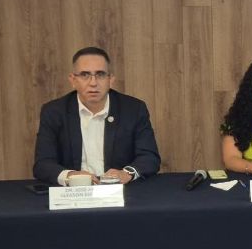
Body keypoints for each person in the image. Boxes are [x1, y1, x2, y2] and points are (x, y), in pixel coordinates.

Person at [33, 47, 161, 186]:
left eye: (100, 75)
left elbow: (149, 157)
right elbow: (43, 164)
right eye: (85, 75)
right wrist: (70, 175)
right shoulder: (54, 112)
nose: (93, 83)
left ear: (110, 79)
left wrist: (126, 173)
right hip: (74, 192)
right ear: (73, 80)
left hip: (120, 190)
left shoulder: (133, 109)